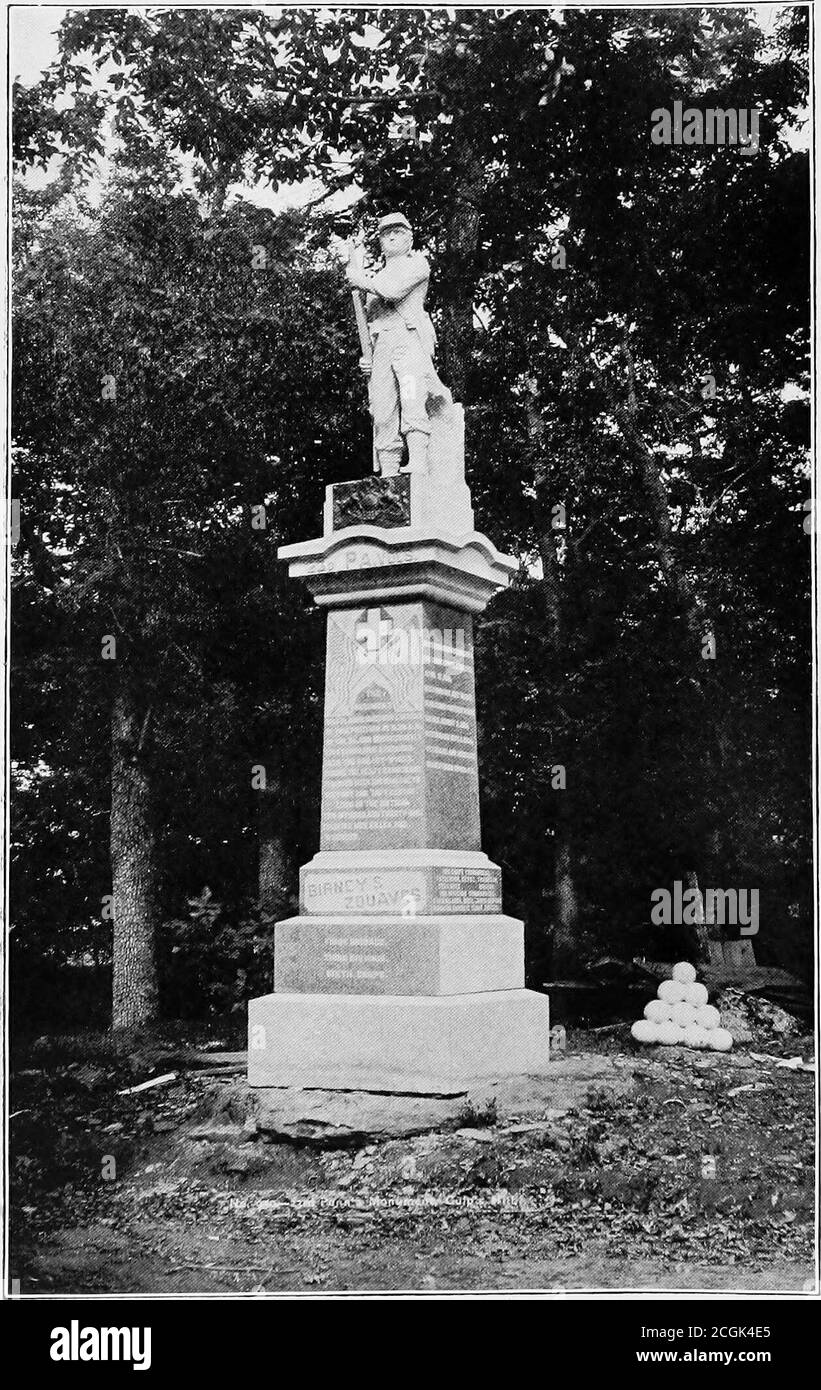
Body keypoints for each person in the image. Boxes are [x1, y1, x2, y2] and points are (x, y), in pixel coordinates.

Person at [346, 213, 447, 476]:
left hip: (408, 340)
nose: (391, 236)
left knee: (412, 398)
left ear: (409, 238)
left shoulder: (417, 265)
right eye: (385, 233)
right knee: (382, 410)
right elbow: (371, 321)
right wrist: (366, 357)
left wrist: (361, 280)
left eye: (398, 232)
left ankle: (418, 463)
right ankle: (389, 474)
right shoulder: (376, 278)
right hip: (383, 346)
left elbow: (393, 291)